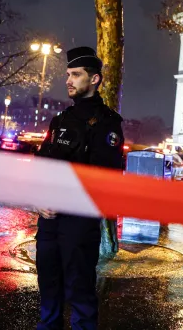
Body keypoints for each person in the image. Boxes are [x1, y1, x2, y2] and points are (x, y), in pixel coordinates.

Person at [34, 46, 124, 330]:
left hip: (79, 221)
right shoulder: (59, 120)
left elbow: (104, 178)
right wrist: (38, 198)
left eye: (76, 74)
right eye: (68, 74)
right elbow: (42, 165)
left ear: (94, 79)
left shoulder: (108, 123)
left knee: (79, 290)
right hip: (48, 220)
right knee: (48, 285)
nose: (68, 80)